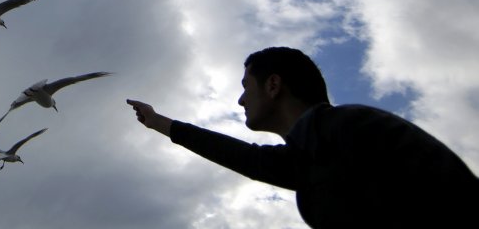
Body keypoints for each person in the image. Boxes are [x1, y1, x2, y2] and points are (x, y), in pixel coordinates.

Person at [127, 46, 478, 228]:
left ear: (274, 85)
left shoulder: (351, 127)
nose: (240, 100)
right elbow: (248, 159)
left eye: (246, 87)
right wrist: (160, 123)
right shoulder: (312, 153)